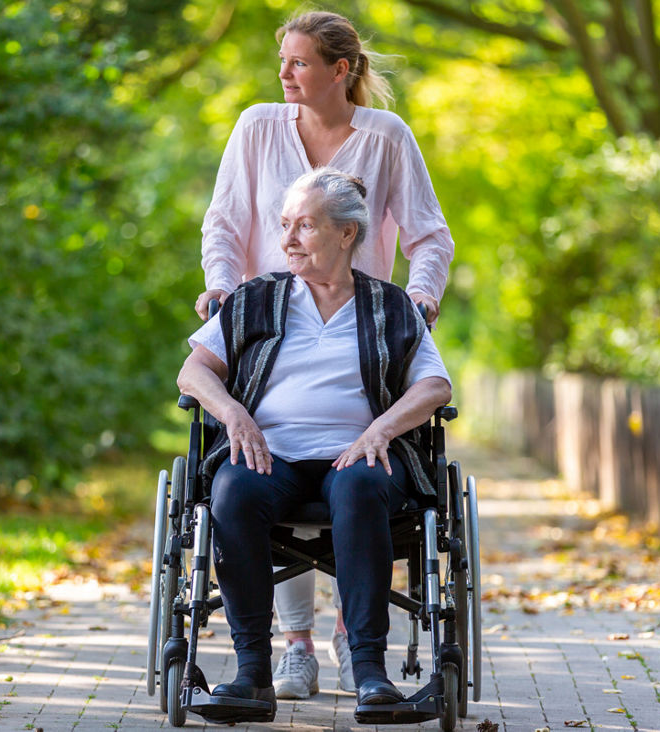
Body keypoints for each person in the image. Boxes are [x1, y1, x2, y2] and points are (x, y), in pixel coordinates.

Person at [194, 9, 455, 698]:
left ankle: (356, 647)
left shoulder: (386, 139)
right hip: (263, 332)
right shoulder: (256, 128)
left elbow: (430, 237)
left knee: (356, 477)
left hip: (362, 331)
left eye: (299, 61)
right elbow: (225, 222)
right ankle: (290, 649)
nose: (283, 72)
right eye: (282, 59)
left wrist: (419, 303)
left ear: (342, 69)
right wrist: (223, 290)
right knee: (251, 473)